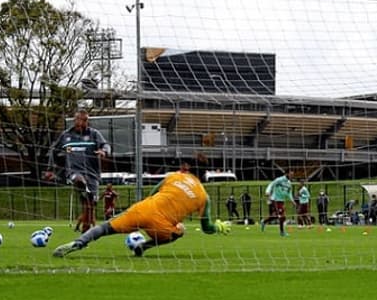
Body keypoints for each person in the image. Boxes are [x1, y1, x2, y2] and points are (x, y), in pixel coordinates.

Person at [53, 161, 231, 258]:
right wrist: (218, 227)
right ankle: (144, 247)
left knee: (104, 228)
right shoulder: (204, 196)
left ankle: (77, 243)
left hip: (143, 209)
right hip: (161, 226)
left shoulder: (175, 176)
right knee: (180, 230)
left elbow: (154, 192)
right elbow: (206, 228)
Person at [44, 109, 110, 233]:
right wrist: (50, 169)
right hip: (74, 172)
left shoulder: (94, 134)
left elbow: (106, 145)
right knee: (79, 181)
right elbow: (54, 151)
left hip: (92, 174)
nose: (81, 122)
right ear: (75, 120)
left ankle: (85, 233)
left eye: (85, 120)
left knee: (90, 205)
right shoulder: (66, 135)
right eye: (79, 119)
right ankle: (81, 185)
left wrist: (103, 151)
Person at [260, 170, 296, 237]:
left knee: (277, 216)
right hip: (275, 200)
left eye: (292, 174)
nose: (292, 176)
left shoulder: (289, 183)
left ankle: (264, 222)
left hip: (281, 201)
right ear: (286, 174)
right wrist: (267, 191)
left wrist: (292, 200)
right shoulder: (279, 179)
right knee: (282, 216)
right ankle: (282, 232)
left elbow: (289, 193)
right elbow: (271, 184)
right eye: (291, 174)